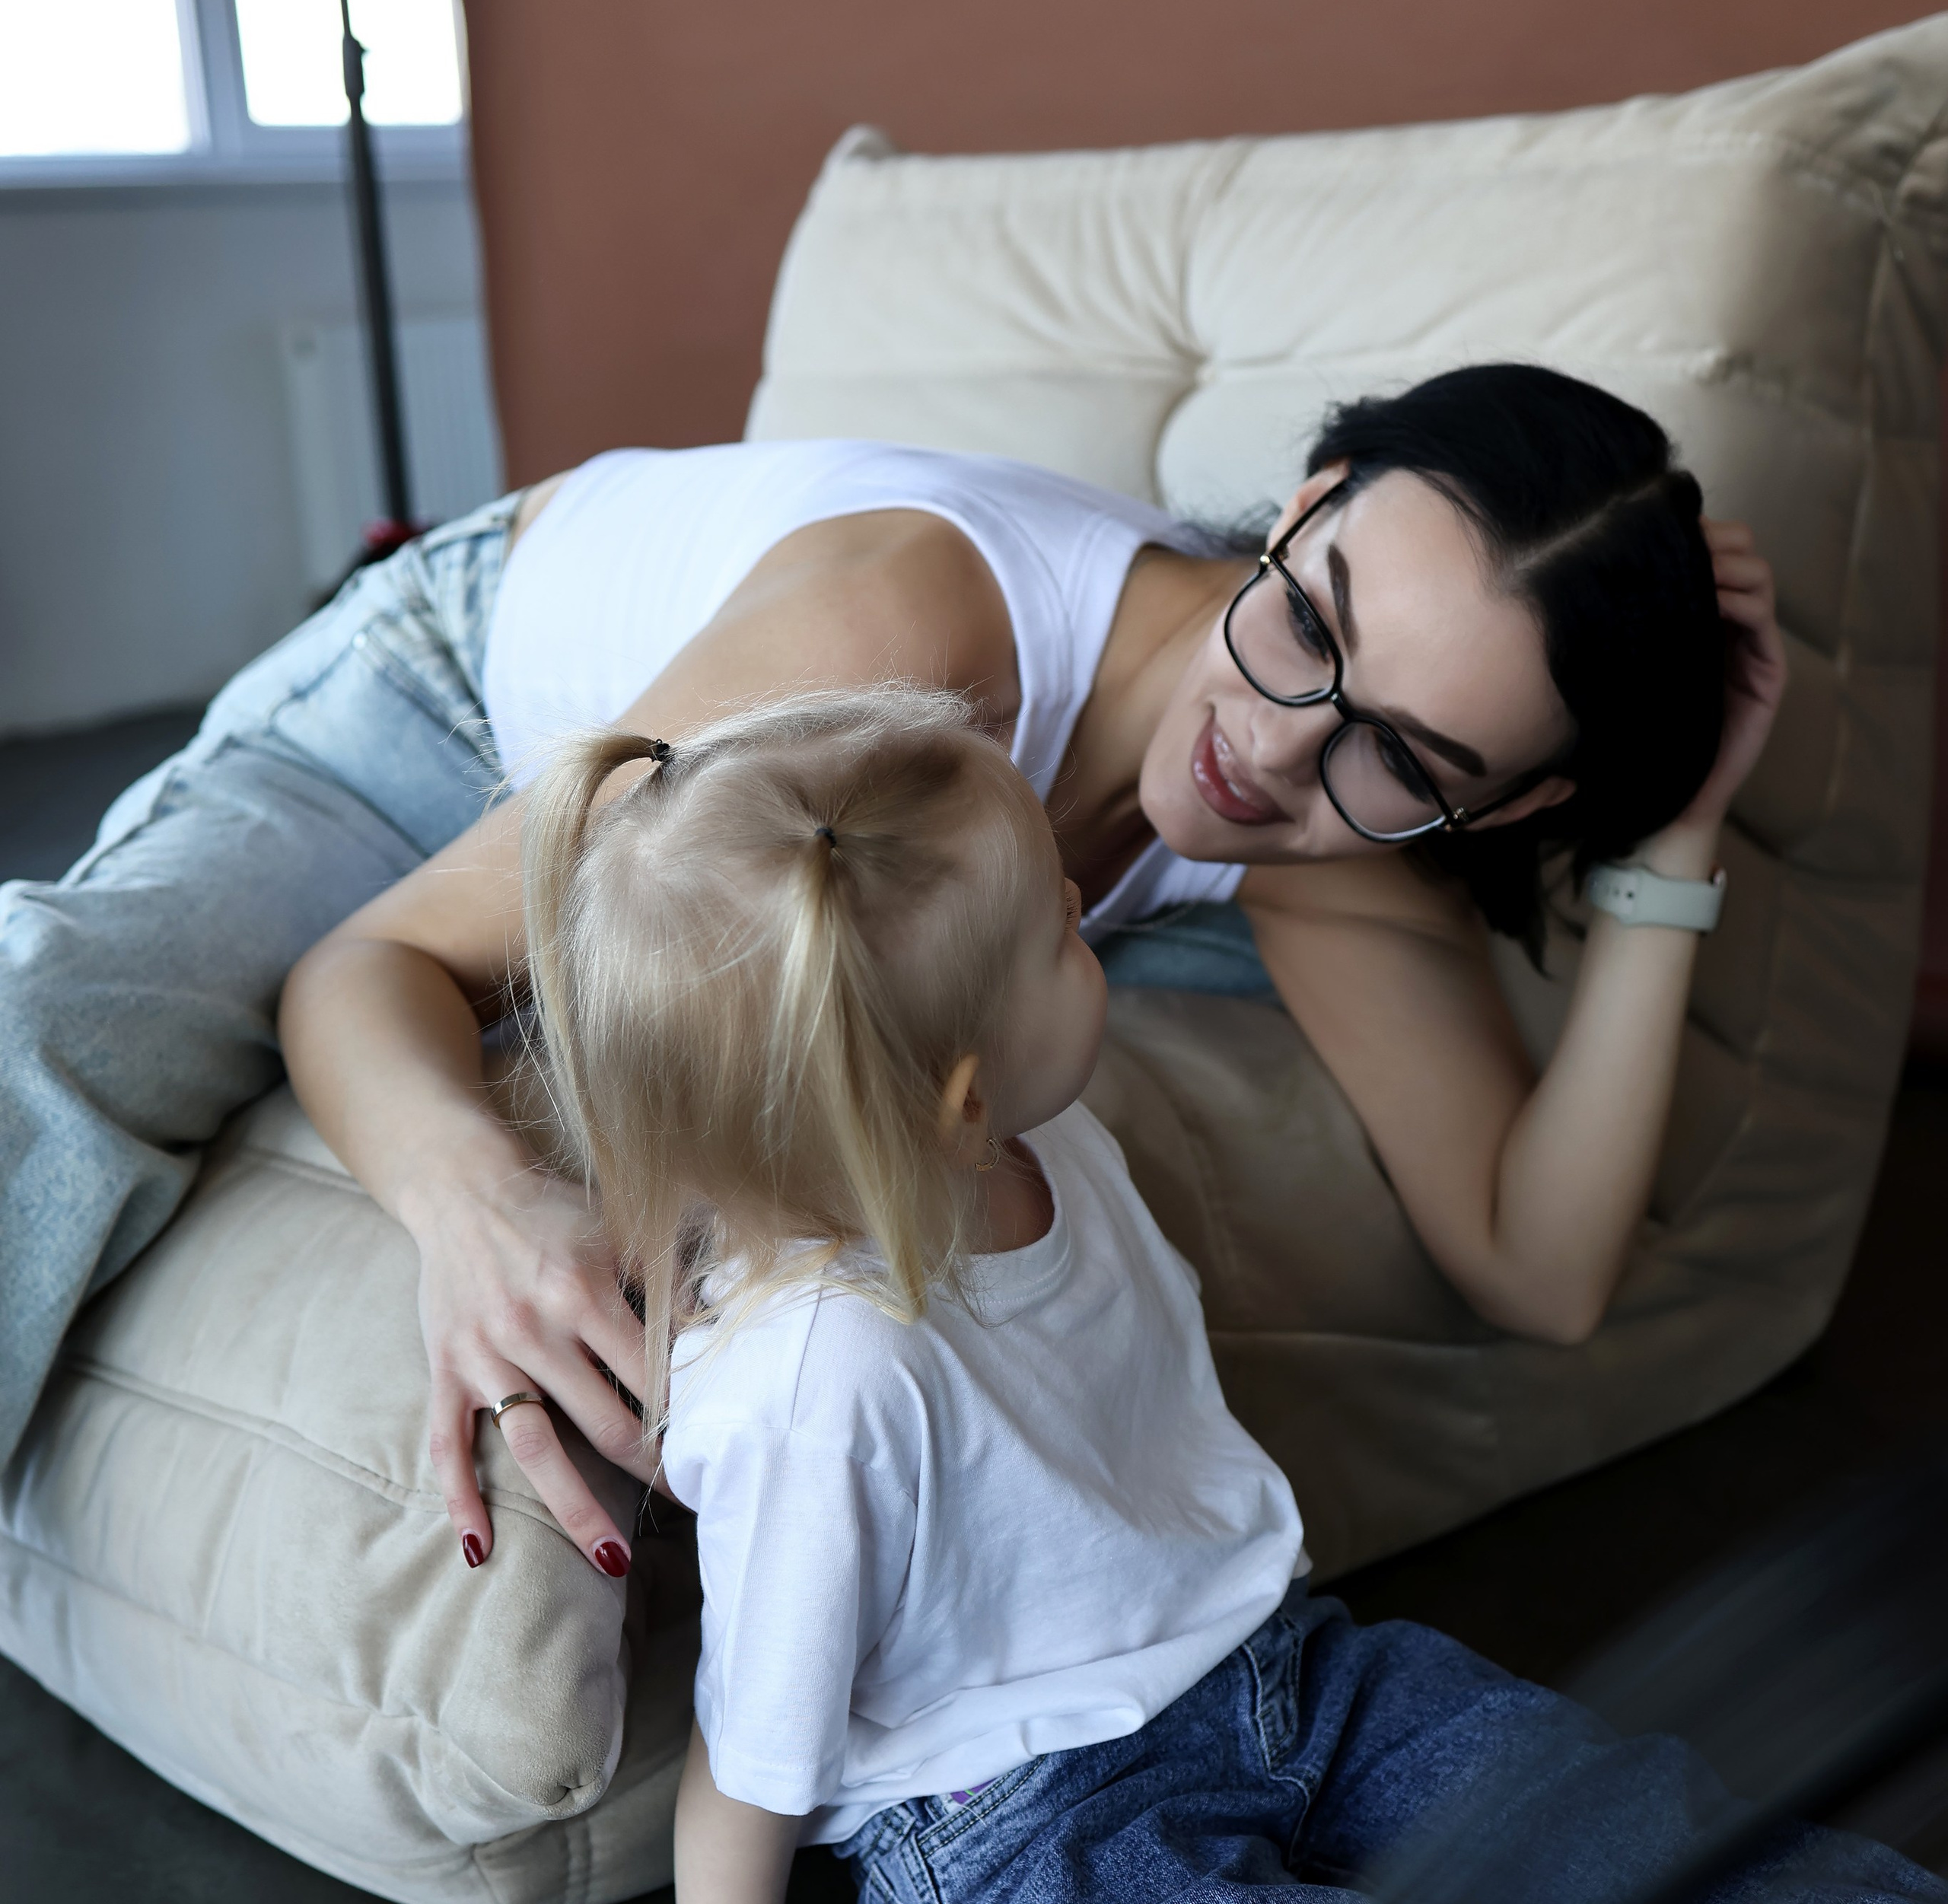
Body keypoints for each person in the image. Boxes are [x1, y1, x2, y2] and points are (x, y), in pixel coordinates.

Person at [477, 689, 1948, 1904]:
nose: (1090, 929)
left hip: (1287, 1679)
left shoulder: (1042, 1140)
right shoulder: (819, 1379)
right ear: (948, 1091)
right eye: (1052, 942)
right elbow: (760, 1750)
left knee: (1629, 1838)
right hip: (1029, 1848)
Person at [4, 365, 1784, 1584]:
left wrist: (1680, 840)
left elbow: (1540, 1269)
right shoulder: (911, 646)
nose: (1274, 743)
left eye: (1402, 755)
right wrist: (476, 1208)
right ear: (1304, 500)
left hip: (649, 838)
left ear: (1510, 800)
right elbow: (379, 962)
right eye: (1308, 614)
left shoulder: (1328, 848)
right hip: (447, 700)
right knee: (61, 1027)